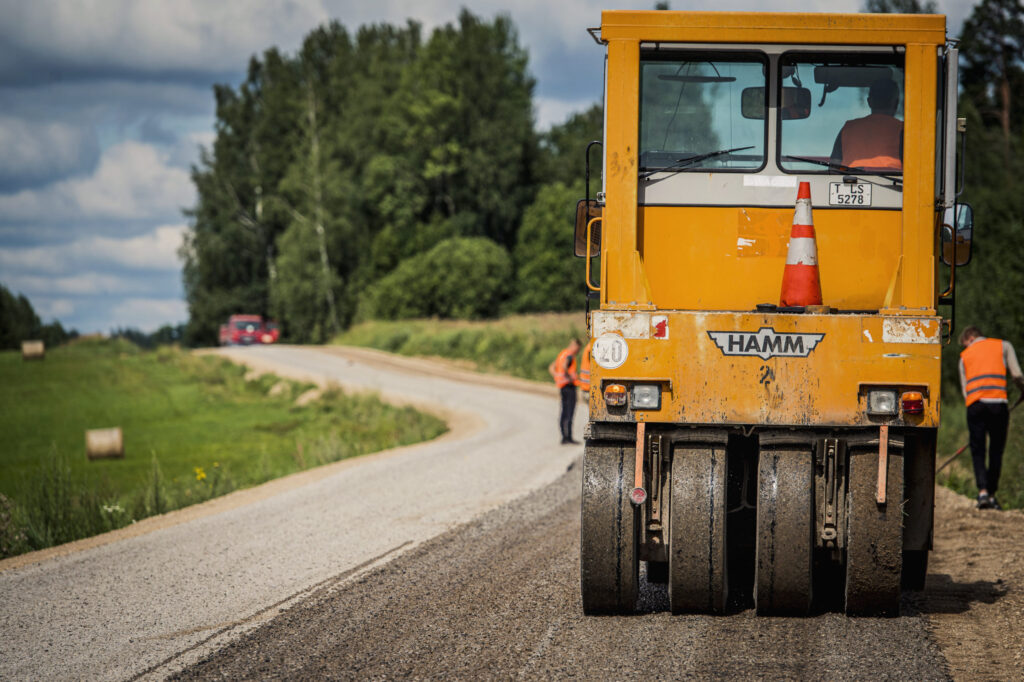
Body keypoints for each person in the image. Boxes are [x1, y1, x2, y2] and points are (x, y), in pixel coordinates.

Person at [959, 326, 1024, 509]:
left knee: (978, 450)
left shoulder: (964, 356)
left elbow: (965, 391)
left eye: (966, 343)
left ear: (970, 337)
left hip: (975, 406)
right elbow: (1017, 375)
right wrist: (1022, 391)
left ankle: (982, 493)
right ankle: (993, 494)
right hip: (998, 405)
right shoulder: (1004, 346)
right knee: (996, 449)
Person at [830, 77, 903, 170]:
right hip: (894, 183)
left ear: (869, 102)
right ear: (896, 103)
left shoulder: (848, 128)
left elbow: (834, 168)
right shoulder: (903, 130)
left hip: (850, 181)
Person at [549, 338, 581, 444]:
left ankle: (564, 436)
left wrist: (557, 377)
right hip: (569, 386)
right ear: (575, 346)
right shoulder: (569, 355)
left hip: (562, 386)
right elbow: (564, 366)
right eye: (578, 349)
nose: (578, 351)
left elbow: (551, 367)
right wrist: (570, 377)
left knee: (563, 411)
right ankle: (568, 437)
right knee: (569, 412)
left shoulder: (562, 354)